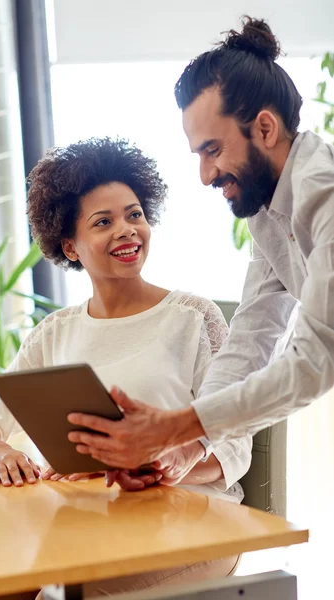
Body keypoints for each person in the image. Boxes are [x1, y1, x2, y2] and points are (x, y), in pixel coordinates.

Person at [0, 137, 248, 595]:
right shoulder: (55, 332)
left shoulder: (193, 317)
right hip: (87, 522)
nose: (128, 230)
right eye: (104, 222)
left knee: (65, 586)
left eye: (135, 215)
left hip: (192, 524)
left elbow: (234, 444)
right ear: (70, 246)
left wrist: (162, 466)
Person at [66, 17, 334, 479]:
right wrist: (189, 445)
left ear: (265, 129)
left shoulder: (325, 197)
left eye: (213, 150)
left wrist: (173, 427)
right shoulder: (267, 212)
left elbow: (314, 362)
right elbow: (252, 337)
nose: (206, 175)